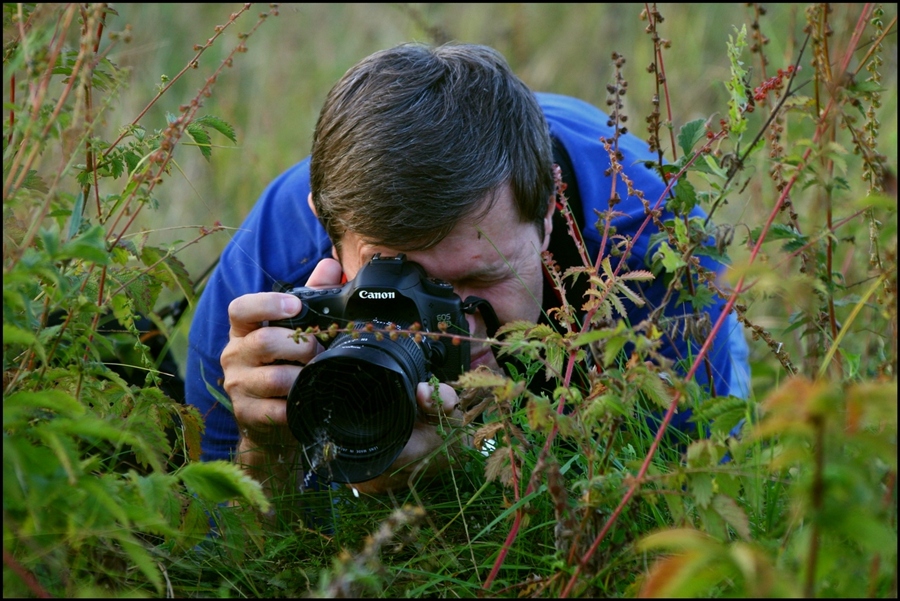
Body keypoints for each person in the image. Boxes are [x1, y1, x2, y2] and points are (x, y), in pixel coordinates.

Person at [185, 42, 750, 497]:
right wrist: (267, 455)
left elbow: (688, 510)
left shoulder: (656, 256)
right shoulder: (270, 272)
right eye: (402, 284)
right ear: (327, 231)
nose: (449, 329)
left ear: (549, 215)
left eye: (480, 282)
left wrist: (475, 469)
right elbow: (219, 543)